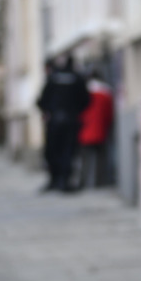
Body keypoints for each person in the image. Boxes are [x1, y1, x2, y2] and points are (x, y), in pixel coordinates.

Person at [37, 54, 90, 193]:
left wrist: (47, 110)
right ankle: (64, 181)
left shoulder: (53, 77)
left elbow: (42, 100)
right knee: (69, 152)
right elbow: (86, 99)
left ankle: (54, 180)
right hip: (71, 120)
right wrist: (76, 111)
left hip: (54, 121)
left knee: (53, 151)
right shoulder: (77, 78)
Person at [76, 70, 114, 189]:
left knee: (85, 159)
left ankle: (83, 181)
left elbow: (78, 111)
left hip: (85, 130)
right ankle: (100, 182)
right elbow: (109, 114)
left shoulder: (82, 93)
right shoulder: (106, 93)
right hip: (100, 130)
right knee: (101, 159)